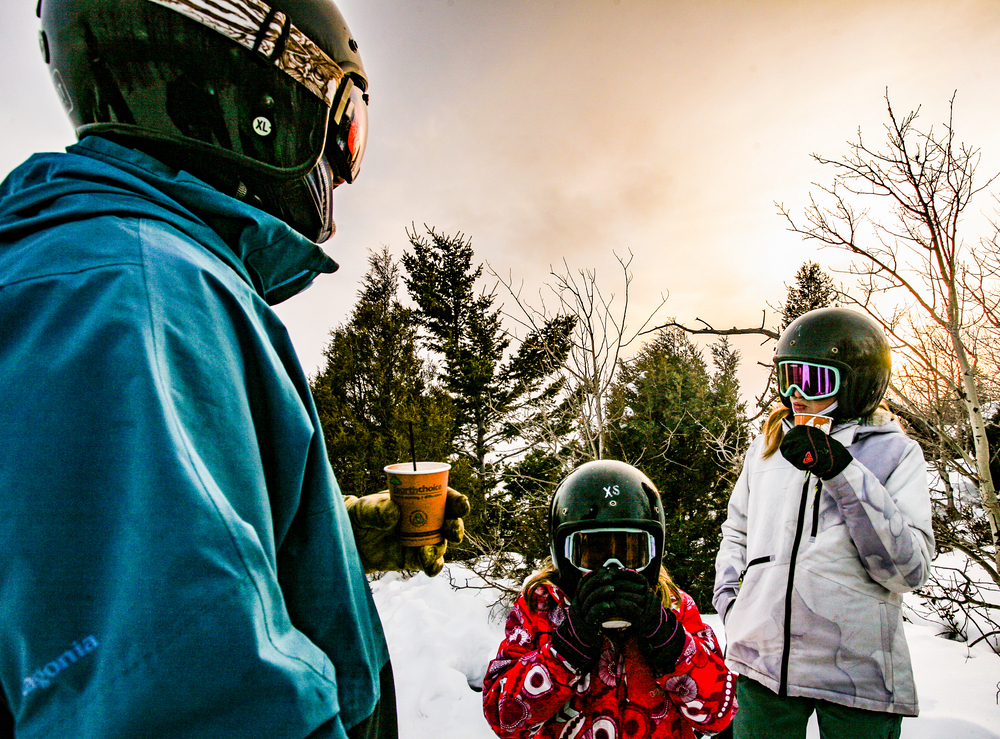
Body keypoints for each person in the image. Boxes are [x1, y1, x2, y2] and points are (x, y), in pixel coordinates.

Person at [0, 1, 468, 736]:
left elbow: (125, 570)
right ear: (261, 82)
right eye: (346, 127)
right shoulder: (139, 293)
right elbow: (182, 691)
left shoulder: (88, 269)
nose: (341, 171)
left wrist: (330, 541)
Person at [713, 307, 934, 739]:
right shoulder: (768, 448)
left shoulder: (895, 454)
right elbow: (736, 531)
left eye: (813, 380)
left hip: (856, 670)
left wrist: (843, 473)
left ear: (856, 384)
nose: (795, 393)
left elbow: (909, 570)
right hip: (763, 662)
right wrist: (733, 606)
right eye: (787, 376)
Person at [483, 460, 737, 739]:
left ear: (654, 552)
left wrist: (669, 642)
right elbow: (503, 718)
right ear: (561, 552)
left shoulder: (675, 607)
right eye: (591, 554)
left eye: (630, 553)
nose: (612, 570)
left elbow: (719, 715)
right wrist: (565, 650)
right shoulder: (540, 610)